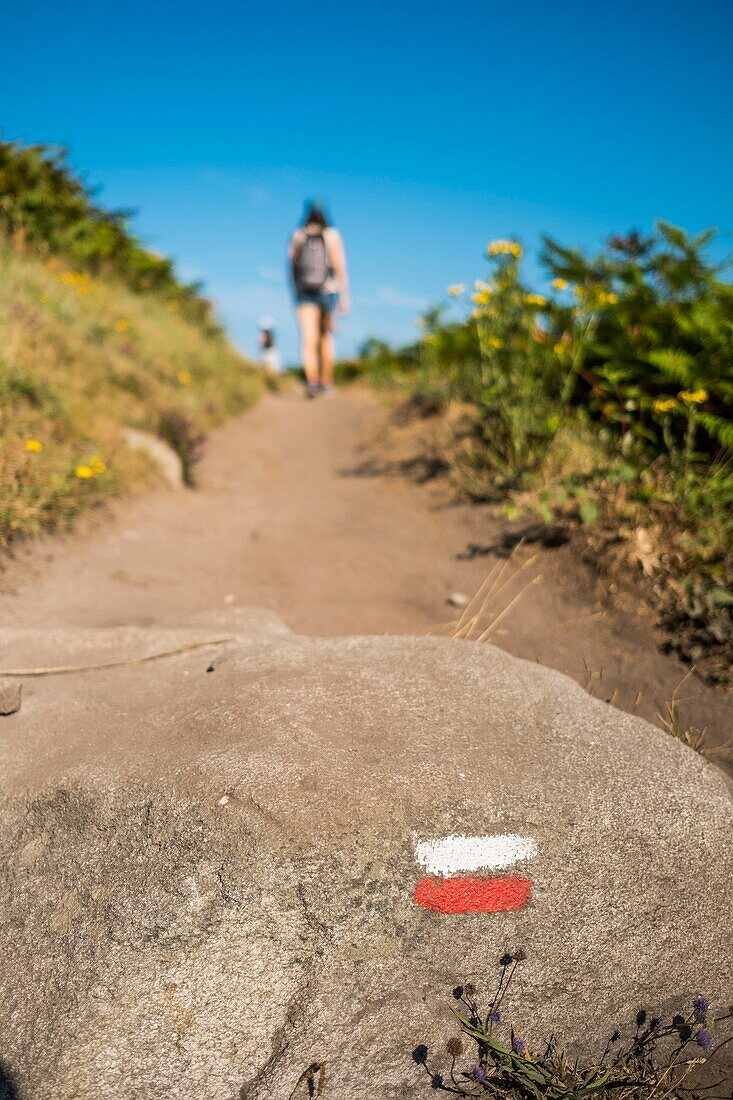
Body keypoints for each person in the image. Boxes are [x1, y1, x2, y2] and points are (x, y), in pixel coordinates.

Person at [289, 201, 350, 397]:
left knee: (309, 339)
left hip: (305, 293)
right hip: (328, 291)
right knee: (326, 338)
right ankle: (326, 382)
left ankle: (312, 382)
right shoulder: (333, 235)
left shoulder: (298, 235)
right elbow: (340, 267)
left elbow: (291, 267)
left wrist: (296, 291)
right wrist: (344, 296)